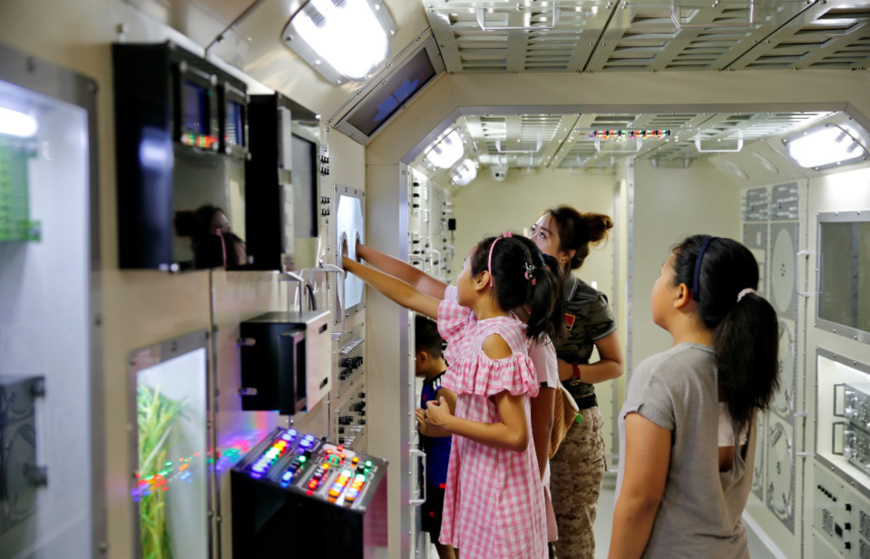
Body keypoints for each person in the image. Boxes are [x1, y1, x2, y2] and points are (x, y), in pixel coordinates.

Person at [343, 233, 562, 559]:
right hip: (484, 482)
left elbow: (516, 435)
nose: (455, 277)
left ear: (482, 280)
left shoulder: (496, 339)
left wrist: (449, 421)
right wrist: (347, 262)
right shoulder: (477, 322)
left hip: (501, 493)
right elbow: (409, 295)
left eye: (462, 268)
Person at [608, 235, 779, 559]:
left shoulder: (661, 374)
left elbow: (640, 500)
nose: (656, 282)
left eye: (662, 274)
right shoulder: (738, 369)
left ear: (681, 294)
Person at [530, 206, 624, 559]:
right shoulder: (519, 290)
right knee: (527, 528)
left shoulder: (587, 300)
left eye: (542, 235)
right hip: (526, 420)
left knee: (571, 532)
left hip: (574, 423)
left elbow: (615, 364)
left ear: (566, 254)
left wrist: (571, 371)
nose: (531, 239)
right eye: (533, 230)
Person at [414, 314, 457, 559]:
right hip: (436, 473)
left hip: (444, 477)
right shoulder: (433, 380)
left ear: (422, 357)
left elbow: (463, 425)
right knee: (442, 536)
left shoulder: (443, 387)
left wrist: (429, 429)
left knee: (445, 539)